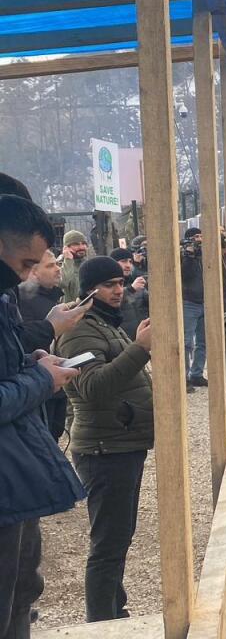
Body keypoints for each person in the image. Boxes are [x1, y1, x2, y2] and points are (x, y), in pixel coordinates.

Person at [0, 195, 85, 639]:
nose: (26, 275)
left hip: (13, 477)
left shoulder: (5, 296)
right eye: (26, 263)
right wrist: (40, 379)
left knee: (22, 589)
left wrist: (30, 362)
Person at [54, 257, 154, 623]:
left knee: (118, 538)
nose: (117, 291)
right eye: (109, 284)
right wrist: (140, 348)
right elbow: (92, 386)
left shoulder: (104, 323)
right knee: (108, 545)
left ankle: (115, 611)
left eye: (120, 283)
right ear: (89, 290)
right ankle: (101, 623)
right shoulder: (79, 330)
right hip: (104, 449)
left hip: (121, 443)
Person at [16, 250, 71, 439]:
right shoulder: (22, 303)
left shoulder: (51, 298)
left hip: (54, 384)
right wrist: (50, 327)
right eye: (50, 265)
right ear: (33, 272)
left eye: (57, 263)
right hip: (36, 389)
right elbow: (22, 342)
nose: (58, 269)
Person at [179, 227, 207, 389]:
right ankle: (184, 378)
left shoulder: (205, 254)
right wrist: (189, 255)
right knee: (187, 342)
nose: (199, 239)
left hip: (205, 302)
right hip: (189, 302)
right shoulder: (183, 256)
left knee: (203, 342)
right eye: (196, 236)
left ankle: (197, 374)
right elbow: (185, 276)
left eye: (201, 236)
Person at [109, 250, 148, 340]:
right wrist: (131, 290)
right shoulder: (107, 284)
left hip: (142, 337)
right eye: (123, 261)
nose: (128, 265)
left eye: (130, 262)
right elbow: (110, 303)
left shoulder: (135, 282)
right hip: (123, 339)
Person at [57, 231, 89, 302]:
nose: (81, 247)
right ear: (66, 248)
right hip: (69, 308)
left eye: (83, 243)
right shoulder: (58, 265)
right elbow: (63, 283)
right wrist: (68, 260)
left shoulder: (88, 264)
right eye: (76, 244)